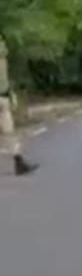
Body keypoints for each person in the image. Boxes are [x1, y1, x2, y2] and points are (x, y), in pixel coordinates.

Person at [0, 35, 38, 176]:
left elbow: (4, 77)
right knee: (9, 131)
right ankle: (19, 162)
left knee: (9, 131)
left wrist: (10, 93)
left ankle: (19, 162)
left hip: (3, 96)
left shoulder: (2, 61)